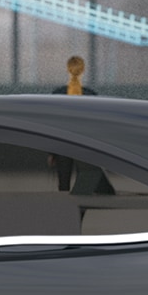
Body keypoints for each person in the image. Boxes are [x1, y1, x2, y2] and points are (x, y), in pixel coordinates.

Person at [47, 55, 103, 193]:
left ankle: (63, 206)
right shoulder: (91, 95)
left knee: (63, 184)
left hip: (62, 145)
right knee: (85, 183)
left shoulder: (57, 94)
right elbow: (96, 125)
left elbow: (52, 125)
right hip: (85, 144)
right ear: (83, 70)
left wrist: (51, 152)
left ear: (68, 69)